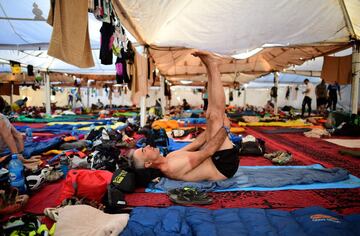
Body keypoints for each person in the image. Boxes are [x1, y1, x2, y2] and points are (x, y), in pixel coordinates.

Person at [131, 51, 239, 182]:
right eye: (144, 150)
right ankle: (213, 66)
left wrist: (210, 128)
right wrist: (225, 129)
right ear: (148, 164)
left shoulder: (169, 157)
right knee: (216, 116)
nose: (147, 146)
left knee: (210, 115)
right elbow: (208, 151)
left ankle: (210, 66)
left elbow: (197, 143)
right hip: (224, 166)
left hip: (214, 158)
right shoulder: (172, 167)